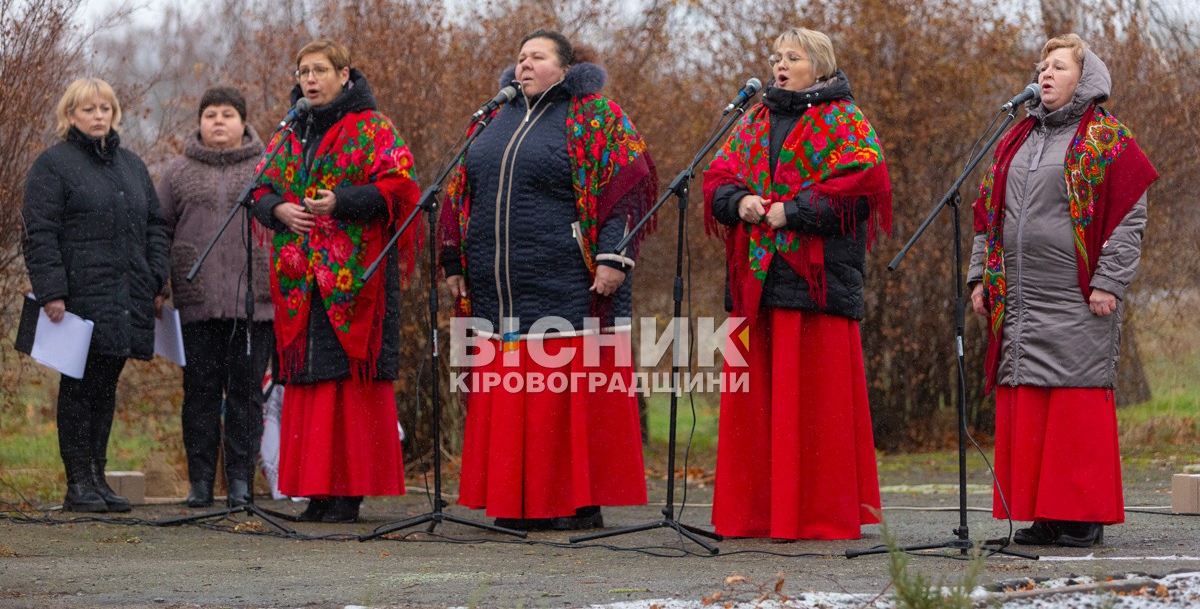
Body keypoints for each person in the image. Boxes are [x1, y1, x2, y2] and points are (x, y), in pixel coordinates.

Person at [440, 29, 657, 531]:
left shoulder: (594, 115)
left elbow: (629, 184)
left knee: (562, 400)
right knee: (515, 396)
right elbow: (457, 189)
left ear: (565, 67)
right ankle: (519, 502)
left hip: (568, 280)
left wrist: (613, 255)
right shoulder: (495, 116)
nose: (524, 65)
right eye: (519, 58)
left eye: (537, 57)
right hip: (499, 288)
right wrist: (453, 258)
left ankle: (574, 503)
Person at [969, 33, 1157, 548]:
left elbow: (1128, 215)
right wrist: (980, 276)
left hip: (1077, 296)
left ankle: (1081, 516)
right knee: (1029, 402)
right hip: (1021, 300)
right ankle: (1043, 515)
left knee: (1072, 405)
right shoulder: (1016, 138)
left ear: (1084, 78)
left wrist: (1109, 281)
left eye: (1057, 67)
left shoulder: (1105, 138)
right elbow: (988, 216)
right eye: (1041, 67)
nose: (1044, 75)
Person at [703, 28, 892, 540]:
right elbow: (717, 176)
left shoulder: (845, 120)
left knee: (816, 408)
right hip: (756, 285)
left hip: (818, 285)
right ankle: (756, 514)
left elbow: (863, 187)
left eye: (793, 57)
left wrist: (794, 211)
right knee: (757, 408)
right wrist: (739, 202)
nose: (780, 65)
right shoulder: (754, 118)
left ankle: (817, 516)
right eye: (776, 58)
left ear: (820, 65)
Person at [251, 39, 420, 523]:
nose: (310, 78)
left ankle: (347, 492)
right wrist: (278, 208)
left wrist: (341, 202)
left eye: (320, 69)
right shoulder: (291, 131)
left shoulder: (373, 128)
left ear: (345, 75)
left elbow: (401, 188)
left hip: (356, 282)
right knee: (307, 385)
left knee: (346, 387)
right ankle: (316, 491)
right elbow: (260, 187)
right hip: (301, 285)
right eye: (304, 70)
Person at [22, 77, 171, 513]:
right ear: (71, 115)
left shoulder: (131, 165)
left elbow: (155, 227)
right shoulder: (53, 165)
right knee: (78, 388)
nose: (98, 115)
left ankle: (98, 478)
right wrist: (52, 291)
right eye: (88, 109)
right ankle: (78, 483)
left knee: (105, 387)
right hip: (77, 301)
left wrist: (155, 278)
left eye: (105, 108)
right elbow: (39, 232)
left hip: (126, 297)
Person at [156, 86, 275, 509]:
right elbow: (159, 231)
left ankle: (241, 483)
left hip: (254, 303)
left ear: (244, 122)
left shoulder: (268, 166)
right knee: (200, 394)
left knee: (246, 396)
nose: (218, 122)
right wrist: (159, 284)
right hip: (197, 303)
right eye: (210, 115)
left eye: (228, 114)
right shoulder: (176, 172)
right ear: (199, 122)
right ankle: (201, 483)